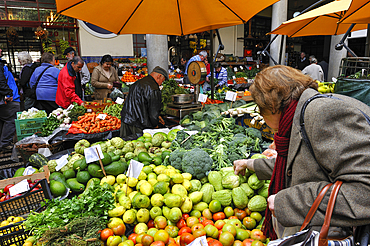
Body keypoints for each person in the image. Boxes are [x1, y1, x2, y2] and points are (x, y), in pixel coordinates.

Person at [233, 65, 370, 240]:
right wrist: (252, 164)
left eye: (261, 109)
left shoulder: (323, 113)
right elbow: (302, 161)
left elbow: (363, 193)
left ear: (272, 105)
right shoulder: (303, 111)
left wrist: (288, 202)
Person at [120, 66, 167, 137]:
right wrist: (155, 124)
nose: (160, 84)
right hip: (138, 124)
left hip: (126, 120)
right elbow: (153, 112)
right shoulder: (153, 88)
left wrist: (157, 117)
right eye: (162, 81)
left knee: (125, 145)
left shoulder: (139, 82)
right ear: (159, 76)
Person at [0, 49, 20, 151]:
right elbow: (1, 81)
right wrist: (8, 93)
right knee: (11, 119)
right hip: (10, 98)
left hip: (7, 97)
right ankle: (5, 143)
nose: (1, 50)